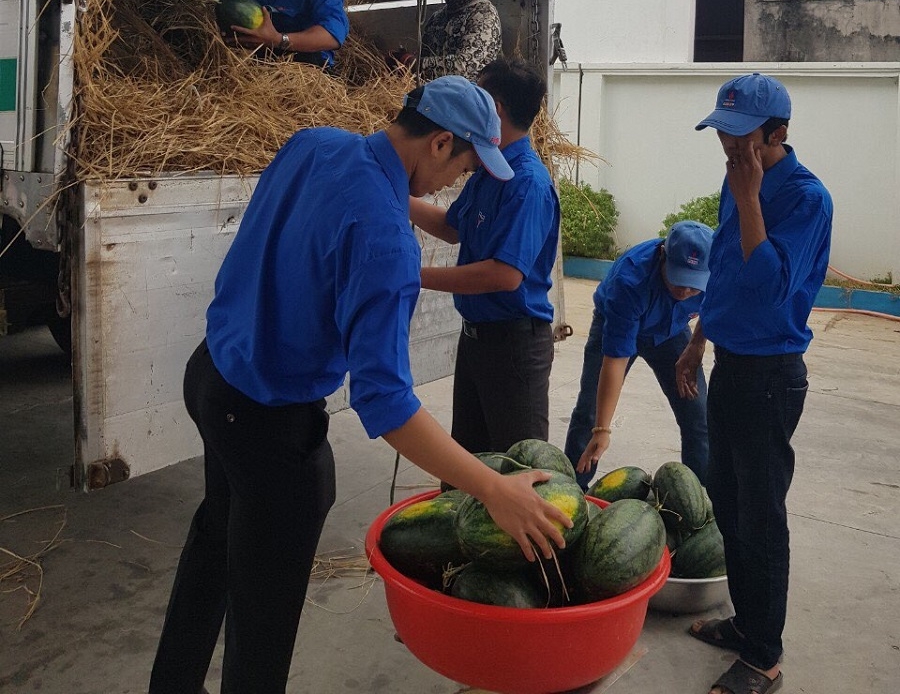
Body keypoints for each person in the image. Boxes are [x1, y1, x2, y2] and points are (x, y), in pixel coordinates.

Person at [148, 75, 571, 694]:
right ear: (439, 143)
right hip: (270, 421)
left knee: (215, 545)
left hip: (211, 375)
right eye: (464, 165)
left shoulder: (313, 143)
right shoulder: (387, 245)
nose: (457, 182)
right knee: (263, 619)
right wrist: (491, 489)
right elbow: (385, 401)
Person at [676, 72, 832, 694]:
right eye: (724, 134)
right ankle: (747, 623)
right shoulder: (737, 178)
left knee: (762, 516)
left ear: (779, 133)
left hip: (772, 377)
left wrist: (749, 199)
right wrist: (696, 342)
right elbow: (727, 272)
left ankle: (765, 654)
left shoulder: (806, 199)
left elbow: (771, 286)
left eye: (744, 138)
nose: (731, 148)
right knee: (730, 505)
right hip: (730, 367)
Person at [409, 59, 560, 454]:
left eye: (479, 94)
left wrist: (412, 273)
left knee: (518, 466)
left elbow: (505, 275)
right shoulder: (486, 167)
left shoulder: (527, 182)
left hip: (514, 346)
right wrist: (399, 195)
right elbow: (453, 226)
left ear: (496, 109)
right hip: (476, 338)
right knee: (470, 463)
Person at [564, 220, 714, 492]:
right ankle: (574, 491)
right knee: (591, 413)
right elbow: (615, 360)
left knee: (698, 414)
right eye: (678, 279)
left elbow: (716, 306)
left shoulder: (718, 272)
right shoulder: (631, 279)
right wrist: (603, 430)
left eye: (694, 287)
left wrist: (696, 345)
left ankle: (698, 500)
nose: (684, 292)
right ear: (662, 256)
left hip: (673, 332)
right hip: (617, 323)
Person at [418, 0, 502, 81]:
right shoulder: (437, 18)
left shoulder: (483, 14)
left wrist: (415, 65)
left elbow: (465, 68)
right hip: (437, 93)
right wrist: (402, 62)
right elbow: (423, 55)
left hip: (472, 96)